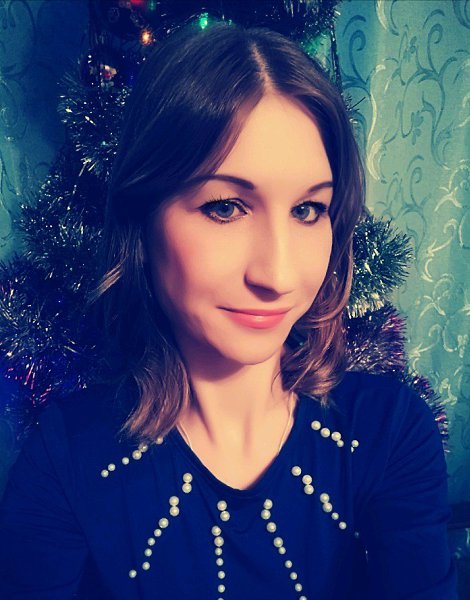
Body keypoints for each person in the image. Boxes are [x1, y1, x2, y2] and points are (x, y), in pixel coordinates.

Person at [0, 19, 458, 600]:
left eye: (308, 210)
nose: (279, 275)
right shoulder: (66, 459)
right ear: (143, 220)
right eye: (224, 208)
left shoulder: (388, 430)